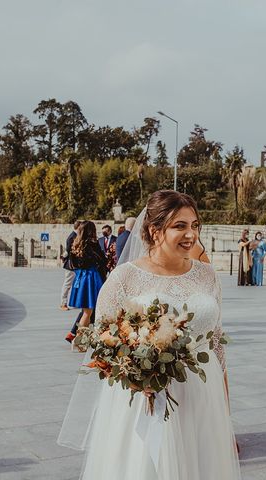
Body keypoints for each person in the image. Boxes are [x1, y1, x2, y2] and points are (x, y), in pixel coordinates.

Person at [58, 190, 240, 479]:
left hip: (203, 397)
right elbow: (104, 345)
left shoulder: (207, 275)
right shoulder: (125, 278)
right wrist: (135, 376)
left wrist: (225, 417)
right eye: (179, 226)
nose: (190, 234)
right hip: (145, 399)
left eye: (195, 226)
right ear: (155, 230)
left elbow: (217, 347)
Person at [68, 222, 108, 337]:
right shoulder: (92, 245)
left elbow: (73, 264)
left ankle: (81, 337)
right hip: (91, 278)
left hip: (81, 278)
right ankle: (79, 340)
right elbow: (102, 261)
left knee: (86, 311)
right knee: (88, 312)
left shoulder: (75, 244)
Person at [60, 220, 82, 310]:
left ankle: (75, 302)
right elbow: (68, 251)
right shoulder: (72, 237)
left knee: (76, 284)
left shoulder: (77, 236)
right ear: (78, 227)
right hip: (71, 265)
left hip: (76, 265)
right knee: (67, 284)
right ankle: (63, 303)